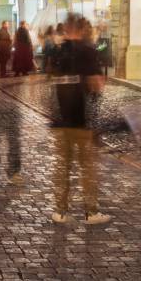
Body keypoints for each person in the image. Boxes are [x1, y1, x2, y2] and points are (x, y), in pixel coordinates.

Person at [49, 15, 110, 225]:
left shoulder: (59, 51)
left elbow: (52, 81)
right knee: (87, 169)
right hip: (82, 119)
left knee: (63, 167)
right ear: (82, 29)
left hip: (61, 119)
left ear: (67, 29)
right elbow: (96, 84)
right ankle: (91, 212)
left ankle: (60, 211)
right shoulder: (87, 50)